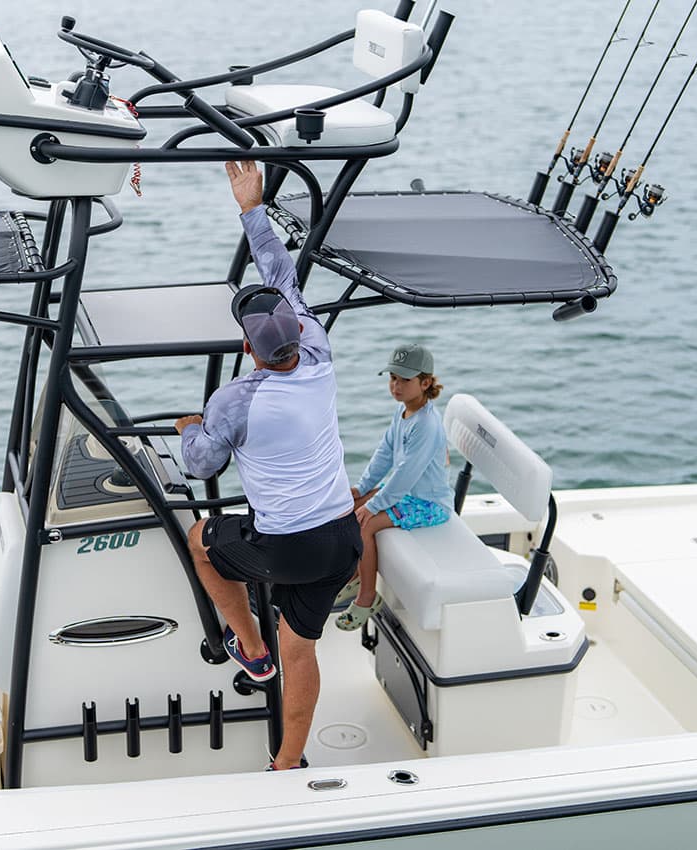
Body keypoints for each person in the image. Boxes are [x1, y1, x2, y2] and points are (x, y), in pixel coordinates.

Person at [175, 160, 361, 771]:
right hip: (340, 540)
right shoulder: (317, 346)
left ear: (248, 348)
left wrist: (192, 429)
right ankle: (287, 763)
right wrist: (252, 207)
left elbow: (202, 465)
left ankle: (251, 647)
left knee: (201, 540)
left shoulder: (235, 400)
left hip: (284, 549)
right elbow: (282, 274)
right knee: (303, 651)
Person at [337, 343, 454, 630]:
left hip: (429, 504)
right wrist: (362, 488)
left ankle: (367, 598)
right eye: (393, 378)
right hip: (407, 495)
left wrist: (373, 505)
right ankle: (355, 575)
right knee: (348, 507)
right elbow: (385, 454)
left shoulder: (427, 425)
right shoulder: (402, 413)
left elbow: (406, 474)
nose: (396, 386)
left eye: (404, 380)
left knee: (365, 523)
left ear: (425, 383)